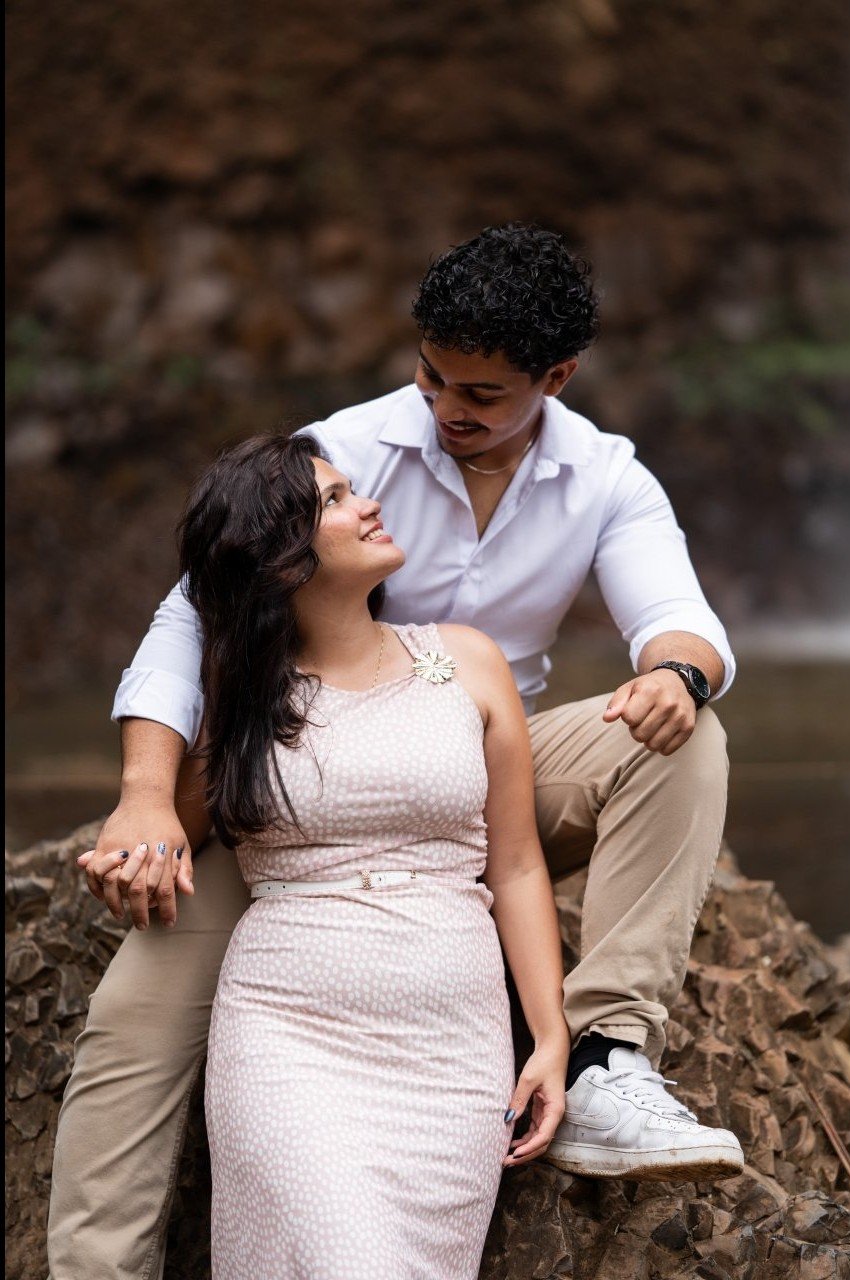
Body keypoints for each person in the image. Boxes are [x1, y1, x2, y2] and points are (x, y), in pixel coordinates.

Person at [49, 224, 743, 1280]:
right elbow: (189, 616)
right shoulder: (348, 450)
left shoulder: (607, 478)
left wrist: (675, 675)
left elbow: (681, 621)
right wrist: (148, 795)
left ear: (555, 378)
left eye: (481, 394)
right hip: (289, 791)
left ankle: (604, 1057)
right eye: (431, 375)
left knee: (683, 736)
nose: (446, 406)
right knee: (131, 1024)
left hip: (473, 769)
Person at [168, 432, 569, 1276]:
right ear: (280, 554)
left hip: (451, 1053)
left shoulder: (468, 660)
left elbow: (517, 865)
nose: (370, 504)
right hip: (289, 1038)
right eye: (336, 500)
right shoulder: (237, 696)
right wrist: (139, 818)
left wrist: (549, 1034)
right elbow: (170, 827)